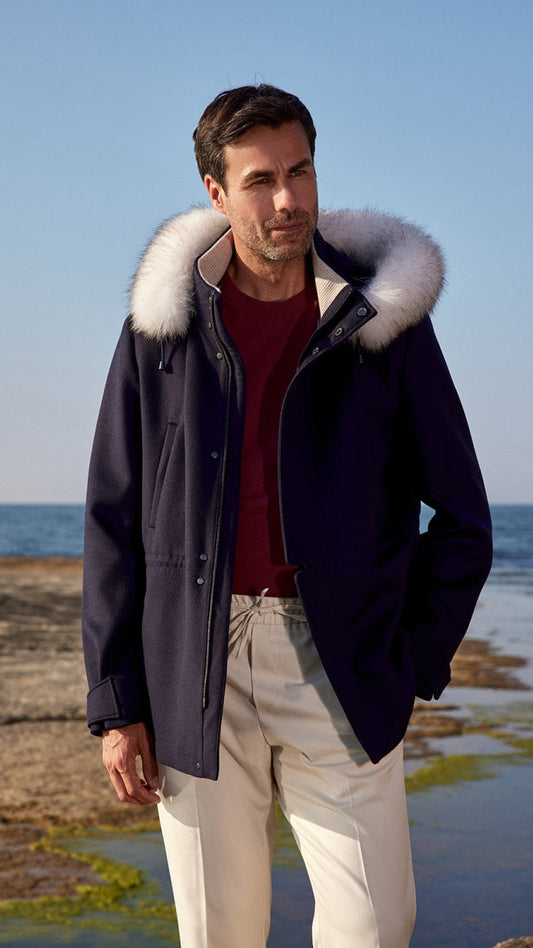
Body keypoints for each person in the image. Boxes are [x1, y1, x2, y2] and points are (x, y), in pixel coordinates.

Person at [82, 84, 492, 947]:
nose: (286, 199)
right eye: (260, 179)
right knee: (219, 931)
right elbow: (115, 519)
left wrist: (410, 658)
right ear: (215, 192)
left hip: (341, 654)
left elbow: (460, 515)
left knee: (375, 926)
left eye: (299, 171)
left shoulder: (379, 319)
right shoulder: (163, 328)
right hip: (193, 663)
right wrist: (117, 701)